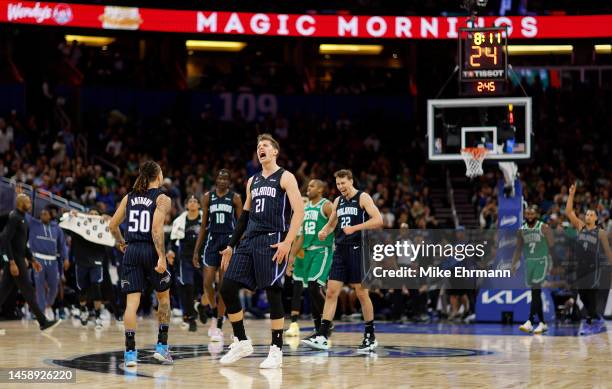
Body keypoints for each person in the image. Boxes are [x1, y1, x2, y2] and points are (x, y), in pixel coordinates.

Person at [218, 133, 304, 368]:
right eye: (258, 147)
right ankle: (242, 340)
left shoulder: (285, 177)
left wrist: (287, 242)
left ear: (275, 151)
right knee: (227, 287)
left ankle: (276, 349)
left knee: (273, 292)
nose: (261, 149)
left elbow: (299, 211)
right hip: (249, 240)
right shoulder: (252, 181)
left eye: (265, 145)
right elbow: (244, 216)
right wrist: (230, 245)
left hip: (273, 239)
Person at [302, 169, 383, 352]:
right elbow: (331, 223)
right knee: (331, 293)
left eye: (343, 184)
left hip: (358, 249)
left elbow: (378, 220)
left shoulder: (363, 198)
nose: (340, 187)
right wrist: (324, 231)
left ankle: (370, 335)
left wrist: (355, 228)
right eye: (338, 184)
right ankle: (322, 335)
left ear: (351, 181)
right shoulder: (338, 201)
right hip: (340, 250)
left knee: (362, 293)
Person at [109, 161, 173, 367]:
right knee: (163, 298)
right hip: (150, 251)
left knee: (131, 305)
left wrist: (121, 242)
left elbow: (112, 225)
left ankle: (129, 353)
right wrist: (161, 256)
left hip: (132, 251)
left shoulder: (129, 197)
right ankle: (162, 348)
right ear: (158, 176)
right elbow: (156, 229)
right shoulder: (162, 198)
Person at [192, 169, 242, 341]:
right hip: (212, 241)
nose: (222, 180)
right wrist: (196, 251)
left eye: (225, 178)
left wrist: (240, 247)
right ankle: (214, 310)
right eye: (219, 177)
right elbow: (204, 225)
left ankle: (219, 322)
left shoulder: (235, 198)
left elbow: (241, 224)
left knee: (223, 286)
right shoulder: (207, 197)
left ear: (229, 182)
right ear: (215, 179)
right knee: (207, 282)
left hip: (228, 243)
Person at [0, 193, 61, 331]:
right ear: (21, 203)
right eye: (27, 202)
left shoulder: (23, 219)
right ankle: (43, 322)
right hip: (16, 261)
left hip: (20, 259)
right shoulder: (14, 217)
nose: (30, 204)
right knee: (28, 291)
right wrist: (11, 262)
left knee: (3, 292)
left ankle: (43, 322)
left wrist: (32, 260)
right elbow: (5, 241)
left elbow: (23, 244)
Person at [286, 179, 334, 337]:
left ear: (320, 190)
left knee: (314, 286)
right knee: (311, 292)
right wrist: (291, 257)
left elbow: (337, 221)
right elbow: (301, 237)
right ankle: (318, 330)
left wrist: (329, 233)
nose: (309, 188)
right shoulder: (305, 208)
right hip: (307, 253)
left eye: (312, 186)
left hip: (322, 250)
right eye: (309, 185)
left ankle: (327, 323)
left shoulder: (326, 205)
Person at [564, 183, 612, 335]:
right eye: (587, 214)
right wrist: (571, 194)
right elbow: (569, 212)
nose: (588, 216)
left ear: (596, 218)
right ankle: (596, 318)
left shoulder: (601, 232)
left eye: (591, 214)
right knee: (583, 294)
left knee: (591, 294)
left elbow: (608, 251)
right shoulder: (580, 227)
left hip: (594, 267)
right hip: (581, 266)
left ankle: (591, 323)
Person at [511, 205, 555, 334]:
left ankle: (530, 321)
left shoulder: (543, 227)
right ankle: (542, 323)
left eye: (532, 214)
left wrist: (555, 263)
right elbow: (518, 249)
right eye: (527, 214)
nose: (529, 216)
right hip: (529, 263)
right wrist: (514, 264)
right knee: (535, 292)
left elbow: (552, 246)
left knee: (535, 290)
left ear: (536, 215)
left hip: (542, 261)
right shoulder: (521, 230)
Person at [66, 208, 112, 330]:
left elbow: (115, 230)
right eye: (91, 214)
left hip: (96, 261)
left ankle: (98, 316)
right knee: (82, 289)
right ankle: (83, 310)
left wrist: (111, 220)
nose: (93, 216)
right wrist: (71, 216)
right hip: (81, 262)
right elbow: (65, 227)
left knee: (96, 287)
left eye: (95, 214)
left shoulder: (102, 226)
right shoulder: (79, 226)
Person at [168, 196, 204, 332]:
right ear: (186, 206)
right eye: (190, 201)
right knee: (187, 286)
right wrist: (170, 251)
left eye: (196, 201)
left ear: (199, 206)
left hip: (201, 257)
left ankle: (201, 306)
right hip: (185, 258)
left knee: (206, 287)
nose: (193, 203)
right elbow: (172, 241)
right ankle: (190, 317)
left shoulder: (205, 219)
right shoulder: (179, 221)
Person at [27, 207, 69, 321]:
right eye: (41, 214)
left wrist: (66, 258)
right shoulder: (33, 224)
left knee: (55, 286)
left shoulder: (57, 228)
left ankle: (47, 304)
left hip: (53, 260)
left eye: (45, 214)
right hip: (38, 259)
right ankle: (40, 312)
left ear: (50, 216)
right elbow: (25, 213)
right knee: (40, 287)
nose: (43, 216)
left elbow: (62, 245)